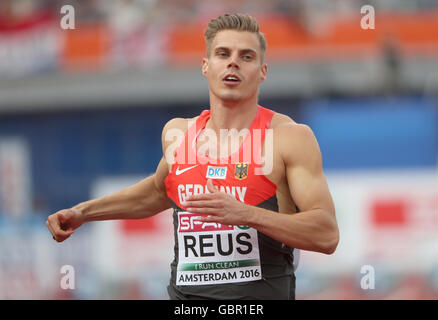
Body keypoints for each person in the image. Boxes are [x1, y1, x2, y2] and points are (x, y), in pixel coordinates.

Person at [46, 13, 339, 300]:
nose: (233, 62)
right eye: (222, 54)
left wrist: (247, 214)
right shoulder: (178, 134)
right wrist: (84, 213)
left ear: (262, 71)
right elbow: (158, 191)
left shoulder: (288, 138)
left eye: (246, 56)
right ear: (206, 66)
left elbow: (326, 234)